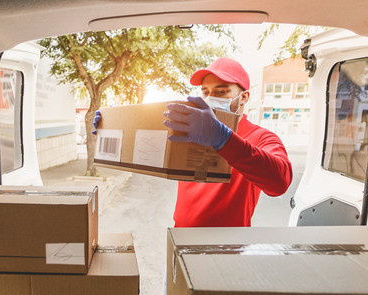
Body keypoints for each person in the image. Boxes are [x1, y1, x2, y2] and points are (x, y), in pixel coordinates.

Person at [94, 57, 293, 227]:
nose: (210, 98)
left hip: (226, 249)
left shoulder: (259, 137)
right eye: (205, 92)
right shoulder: (192, 128)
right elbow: (147, 146)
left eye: (221, 92)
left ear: (243, 98)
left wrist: (223, 138)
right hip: (180, 240)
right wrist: (112, 125)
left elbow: (280, 183)